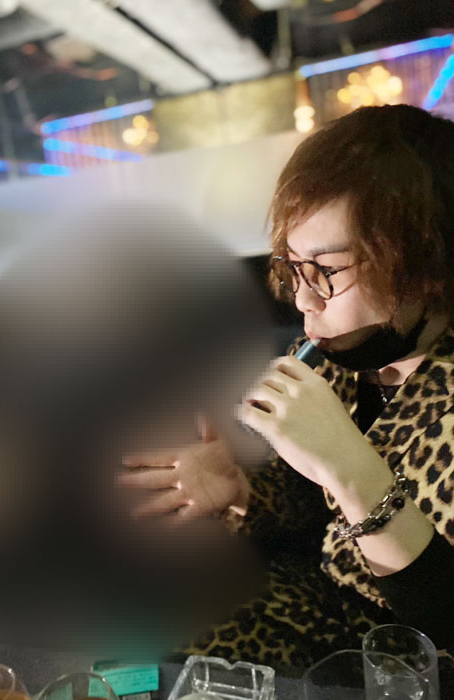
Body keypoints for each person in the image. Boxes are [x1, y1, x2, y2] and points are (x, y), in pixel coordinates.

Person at [120, 104, 454, 672]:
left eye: (329, 270)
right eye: (294, 267)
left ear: (427, 265)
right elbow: (312, 503)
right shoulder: (340, 360)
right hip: (321, 605)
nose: (302, 299)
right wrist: (242, 491)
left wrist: (354, 469)